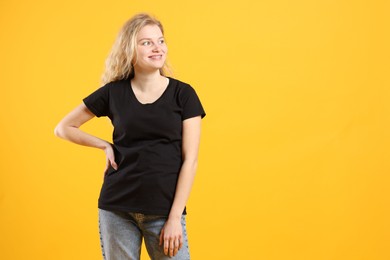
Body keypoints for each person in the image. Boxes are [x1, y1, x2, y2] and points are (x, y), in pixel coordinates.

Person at [54, 12, 206, 260]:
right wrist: (104, 145)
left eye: (160, 40)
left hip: (164, 210)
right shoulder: (113, 93)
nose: (157, 48)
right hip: (117, 208)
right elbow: (63, 128)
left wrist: (175, 217)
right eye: (146, 42)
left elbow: (191, 160)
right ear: (129, 49)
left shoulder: (184, 94)